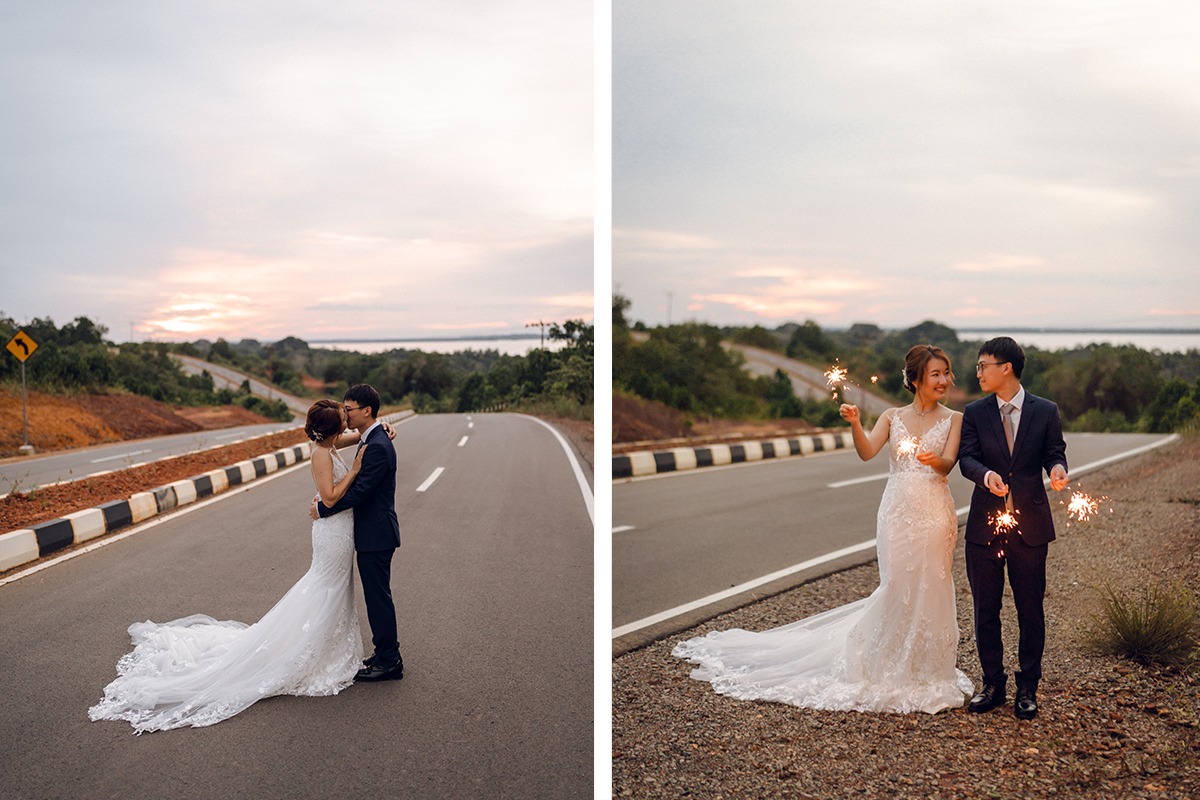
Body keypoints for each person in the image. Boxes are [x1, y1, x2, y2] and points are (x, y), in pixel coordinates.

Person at [673, 345, 974, 714]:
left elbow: (947, 465)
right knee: (896, 584)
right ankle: (885, 663)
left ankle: (927, 669)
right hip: (896, 510)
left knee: (932, 582)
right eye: (936, 375)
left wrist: (934, 459)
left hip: (934, 512)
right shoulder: (892, 416)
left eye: (946, 374)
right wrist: (855, 424)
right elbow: (867, 452)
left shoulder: (955, 418)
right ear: (915, 379)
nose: (944, 381)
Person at [89, 399, 383, 733]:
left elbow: (352, 440)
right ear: (332, 428)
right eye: (344, 418)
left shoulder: (328, 444)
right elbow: (329, 498)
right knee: (323, 588)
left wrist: (374, 431)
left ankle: (327, 647)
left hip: (340, 531)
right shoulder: (320, 453)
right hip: (332, 532)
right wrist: (356, 470)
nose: (348, 422)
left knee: (333, 588)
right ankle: (310, 651)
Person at [960, 337, 1068, 720]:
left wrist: (1057, 470)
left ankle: (1028, 688)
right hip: (984, 527)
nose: (979, 372)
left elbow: (1055, 453)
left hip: (1031, 526)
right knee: (985, 608)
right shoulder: (974, 412)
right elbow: (966, 458)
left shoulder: (1045, 410)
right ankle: (992, 684)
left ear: (1006, 367)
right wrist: (986, 474)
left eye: (984, 365)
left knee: (1029, 609)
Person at [310, 383, 403, 682]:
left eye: (349, 409)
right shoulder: (370, 437)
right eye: (343, 410)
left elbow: (360, 492)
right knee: (376, 597)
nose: (346, 414)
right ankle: (383, 652)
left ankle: (389, 661)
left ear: (367, 411)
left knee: (378, 598)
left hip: (376, 534)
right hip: (369, 533)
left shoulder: (376, 443)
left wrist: (323, 509)